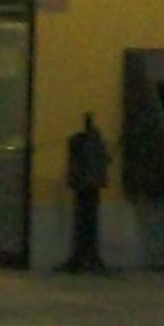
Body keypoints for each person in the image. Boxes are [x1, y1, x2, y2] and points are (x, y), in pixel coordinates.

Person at [64, 111, 112, 273]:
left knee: (84, 224)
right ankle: (85, 257)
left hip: (86, 188)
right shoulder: (94, 142)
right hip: (89, 188)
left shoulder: (83, 142)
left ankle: (84, 257)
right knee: (87, 224)